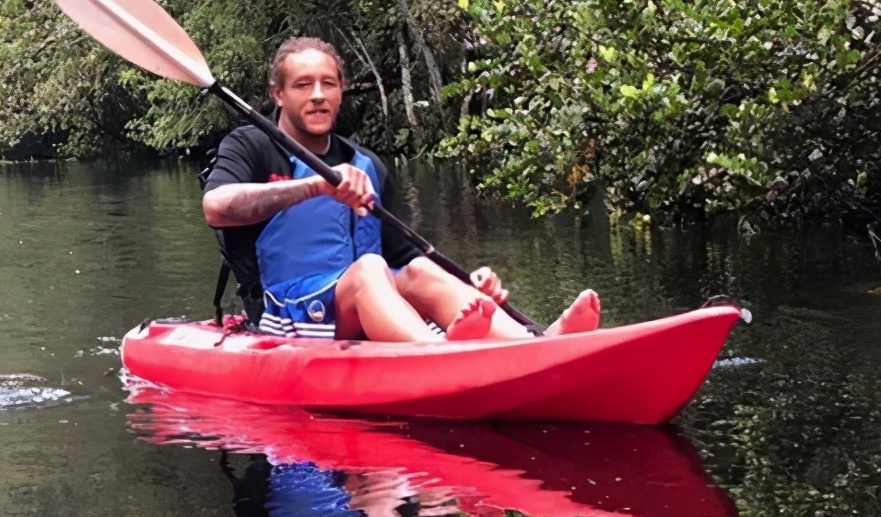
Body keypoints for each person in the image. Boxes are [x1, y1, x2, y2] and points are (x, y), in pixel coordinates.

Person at [201, 37, 601, 341]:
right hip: (286, 313)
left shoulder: (366, 164)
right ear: (279, 95)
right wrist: (314, 187)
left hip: (364, 300)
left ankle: (533, 343)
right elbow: (217, 207)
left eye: (328, 83)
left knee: (422, 270)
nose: (319, 95)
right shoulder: (250, 145)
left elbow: (407, 253)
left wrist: (469, 288)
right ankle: (436, 354)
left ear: (342, 89)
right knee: (370, 270)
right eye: (303, 85)